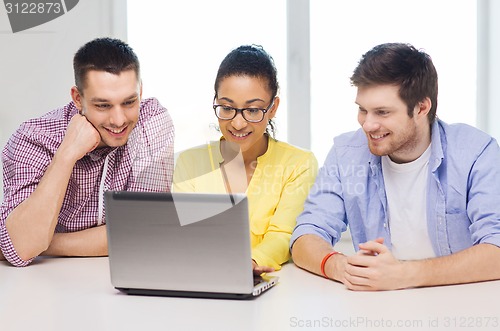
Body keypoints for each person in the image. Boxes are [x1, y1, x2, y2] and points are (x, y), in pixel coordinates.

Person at [291, 42, 500, 291]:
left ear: (421, 107)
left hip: (459, 300)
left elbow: (496, 249)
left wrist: (405, 274)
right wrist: (341, 267)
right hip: (377, 304)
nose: (367, 125)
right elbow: (306, 235)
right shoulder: (345, 153)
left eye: (382, 112)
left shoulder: (477, 152)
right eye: (362, 110)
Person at [0, 37, 174, 267]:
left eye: (129, 102)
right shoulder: (32, 137)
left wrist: (45, 243)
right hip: (43, 286)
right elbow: (22, 247)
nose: (119, 120)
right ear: (77, 98)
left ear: (140, 91)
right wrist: (66, 154)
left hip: (120, 279)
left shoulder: (153, 121)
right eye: (103, 105)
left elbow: (142, 233)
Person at [174, 45, 318, 274]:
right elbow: (183, 236)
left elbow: (283, 235)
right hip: (200, 279)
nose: (238, 123)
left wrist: (250, 262)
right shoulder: (189, 163)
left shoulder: (299, 164)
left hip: (268, 287)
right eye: (227, 107)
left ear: (273, 108)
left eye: (252, 110)